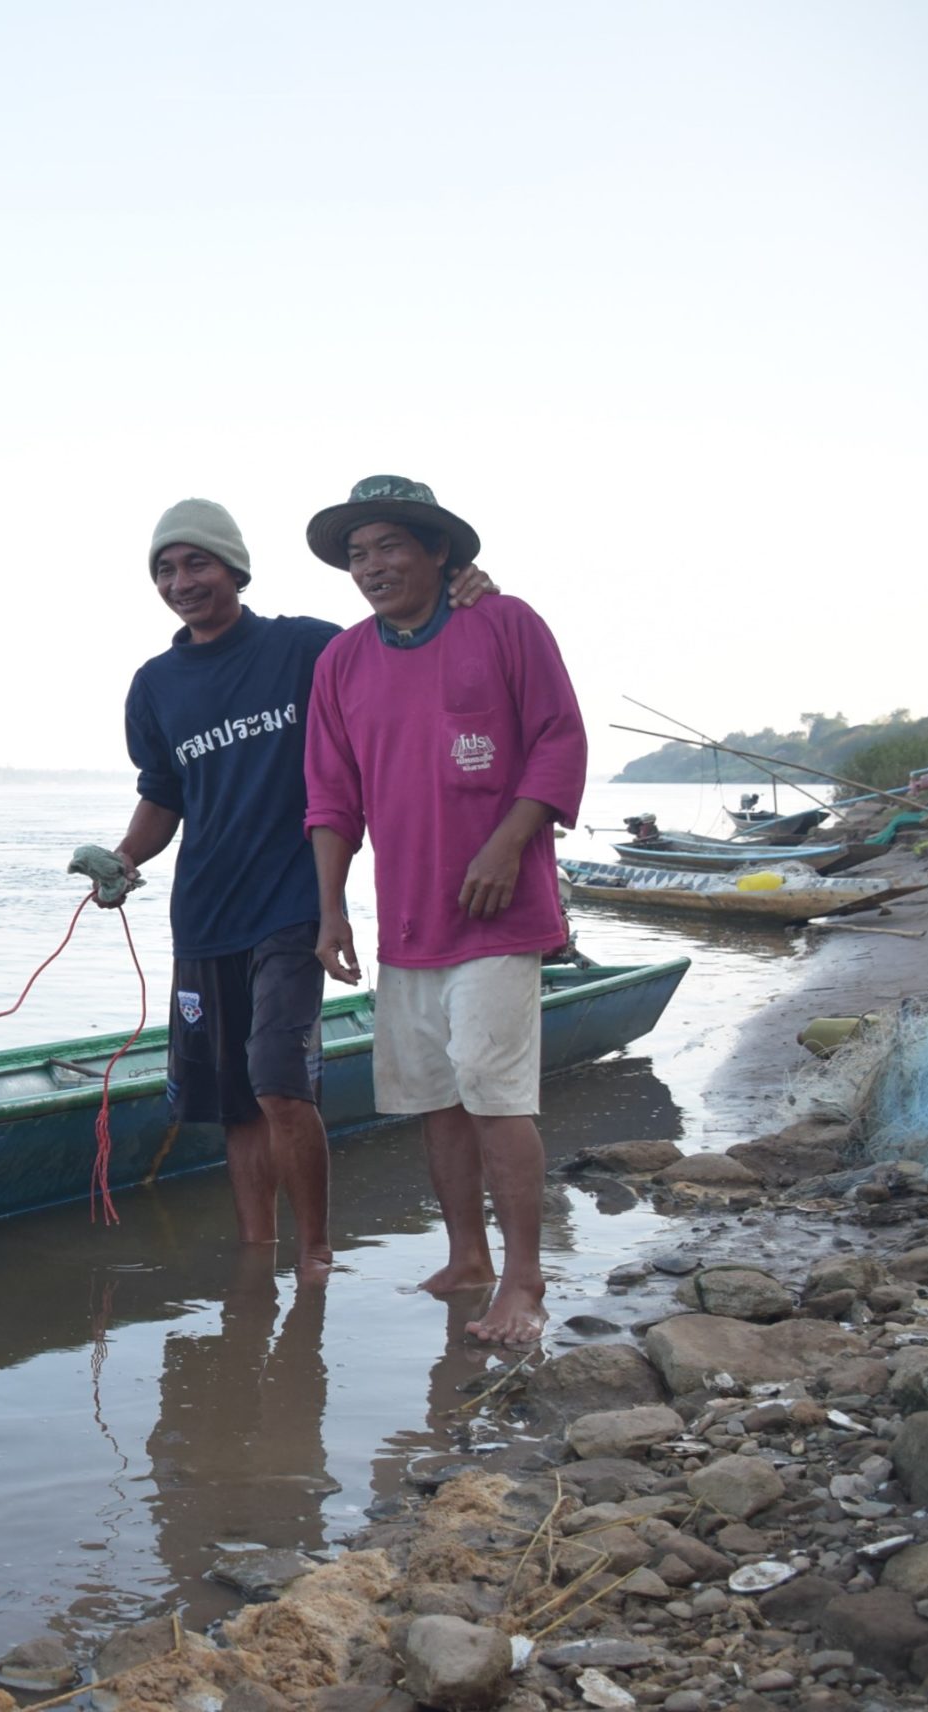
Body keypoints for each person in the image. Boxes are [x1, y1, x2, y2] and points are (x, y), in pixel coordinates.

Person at [71, 500, 492, 1288]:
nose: (180, 581)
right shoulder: (155, 685)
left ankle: (316, 1250)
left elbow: (401, 656)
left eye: (196, 563)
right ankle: (256, 1255)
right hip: (202, 915)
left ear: (235, 568)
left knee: (279, 1082)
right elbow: (165, 793)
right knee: (233, 1101)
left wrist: (464, 600)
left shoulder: (304, 646)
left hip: (294, 904)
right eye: (164, 569)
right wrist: (125, 858)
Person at [300, 476, 585, 1346]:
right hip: (408, 922)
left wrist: (506, 844)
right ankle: (468, 1257)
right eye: (358, 554)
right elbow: (330, 797)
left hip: (499, 915)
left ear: (439, 554)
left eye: (391, 545)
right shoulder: (342, 660)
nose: (373, 566)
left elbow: (560, 739)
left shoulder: (504, 622)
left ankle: (526, 1282)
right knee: (437, 1100)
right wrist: (331, 910)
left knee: (497, 1098)